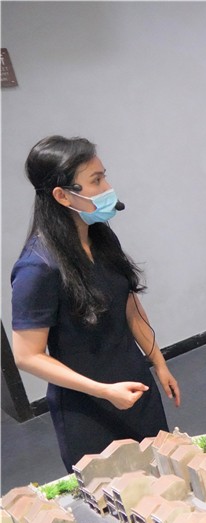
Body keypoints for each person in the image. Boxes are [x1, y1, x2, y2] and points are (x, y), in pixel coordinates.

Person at [11, 136, 181, 471]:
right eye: (96, 181)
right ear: (62, 195)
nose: (107, 188)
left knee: (164, 478)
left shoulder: (102, 237)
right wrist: (103, 391)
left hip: (135, 385)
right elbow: (27, 356)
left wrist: (159, 363)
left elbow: (129, 306)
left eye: (104, 177)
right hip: (88, 407)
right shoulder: (37, 267)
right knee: (114, 494)